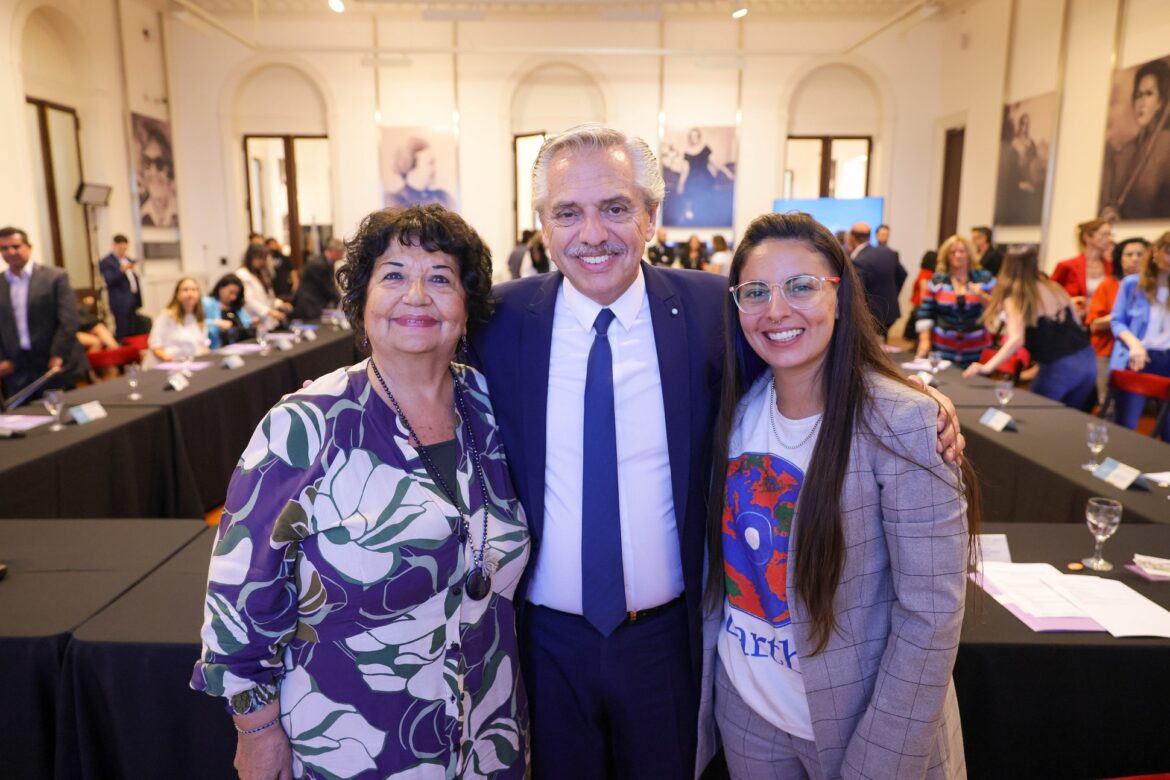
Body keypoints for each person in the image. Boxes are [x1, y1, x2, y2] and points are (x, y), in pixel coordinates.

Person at [471, 124, 964, 778]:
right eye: (568, 213)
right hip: (546, 642)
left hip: (671, 642)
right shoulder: (498, 320)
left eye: (615, 207)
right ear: (543, 224)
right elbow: (418, 364)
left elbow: (801, 348)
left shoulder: (712, 309)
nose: (592, 233)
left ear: (651, 216)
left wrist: (914, 395)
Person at [192, 204, 530, 778]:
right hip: (354, 744)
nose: (416, 296)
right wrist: (256, 730)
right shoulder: (305, 425)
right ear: (362, 301)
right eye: (393, 275)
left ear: (467, 305)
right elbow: (239, 597)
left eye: (440, 278)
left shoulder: (492, 406)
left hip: (488, 735)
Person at [708, 211, 977, 779]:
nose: (776, 310)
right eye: (755, 292)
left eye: (801, 286)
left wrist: (880, 763)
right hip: (749, 712)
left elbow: (930, 617)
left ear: (840, 295)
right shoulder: (732, 408)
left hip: (861, 722)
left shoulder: (904, 422)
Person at [964, 248, 1096, 408]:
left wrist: (987, 367)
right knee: (1067, 417)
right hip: (1088, 360)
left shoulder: (1018, 297)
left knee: (1037, 415)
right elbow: (1077, 322)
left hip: (1059, 366)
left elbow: (1016, 339)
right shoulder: (1054, 287)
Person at [0, 226, 85, 398]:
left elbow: (68, 320)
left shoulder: (55, 277)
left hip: (51, 362)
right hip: (16, 367)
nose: (10, 252)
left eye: (15, 246)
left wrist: (58, 354)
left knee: (58, 411)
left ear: (29, 247)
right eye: (4, 248)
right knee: (23, 414)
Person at [1107, 230, 1170, 438]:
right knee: (1126, 426)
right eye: (1168, 252)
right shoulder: (1133, 284)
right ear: (1156, 252)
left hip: (1167, 359)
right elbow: (1117, 321)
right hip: (1138, 358)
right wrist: (1134, 344)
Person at [1100, 59, 1170, 220]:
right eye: (1138, 95)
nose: (1141, 103)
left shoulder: (1166, 144)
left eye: (1149, 94)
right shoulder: (1124, 151)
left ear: (1161, 102)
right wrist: (1107, 210)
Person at [1085, 237, 1150, 402]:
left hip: (1143, 351)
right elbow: (1094, 323)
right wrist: (1121, 316)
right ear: (1120, 259)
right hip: (1107, 350)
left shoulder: (1154, 287)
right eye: (1129, 254)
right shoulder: (1108, 285)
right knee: (1109, 401)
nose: (1135, 258)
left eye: (1140, 254)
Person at [916, 234, 995, 367]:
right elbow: (925, 312)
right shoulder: (937, 280)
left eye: (961, 251)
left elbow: (996, 308)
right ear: (946, 256)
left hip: (977, 351)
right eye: (952, 252)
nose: (957, 255)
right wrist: (925, 341)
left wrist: (981, 295)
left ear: (969, 253)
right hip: (942, 349)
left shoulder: (983, 278)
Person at [847, 221, 907, 338]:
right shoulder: (888, 253)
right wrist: (894, 294)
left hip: (871, 316)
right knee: (882, 342)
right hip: (890, 311)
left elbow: (858, 292)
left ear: (852, 238)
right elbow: (903, 274)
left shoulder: (859, 260)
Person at [1052, 219, 1114, 319]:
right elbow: (1050, 294)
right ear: (1087, 237)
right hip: (1073, 320)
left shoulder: (1112, 267)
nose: (1109, 239)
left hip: (1101, 321)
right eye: (1104, 235)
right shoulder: (1066, 266)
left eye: (1110, 235)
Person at [147, 277, 209, 363]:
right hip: (168, 364)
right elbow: (155, 346)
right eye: (185, 290)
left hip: (191, 363)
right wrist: (173, 362)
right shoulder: (166, 316)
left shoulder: (199, 316)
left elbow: (203, 346)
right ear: (177, 294)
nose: (190, 293)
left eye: (194, 289)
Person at [385, 136, 453, 209]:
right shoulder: (395, 200)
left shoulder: (443, 197)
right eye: (430, 163)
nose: (435, 169)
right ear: (410, 166)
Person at [98, 234, 143, 340]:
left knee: (133, 329)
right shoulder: (107, 261)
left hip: (132, 298)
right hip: (119, 301)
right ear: (114, 246)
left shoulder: (127, 259)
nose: (123, 250)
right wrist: (122, 270)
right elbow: (109, 280)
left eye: (125, 248)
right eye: (121, 248)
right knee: (122, 329)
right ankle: (121, 347)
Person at [237, 243, 290, 328]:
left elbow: (267, 297)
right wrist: (268, 312)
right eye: (259, 258)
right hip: (255, 320)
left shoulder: (261, 273)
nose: (262, 262)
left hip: (269, 322)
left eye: (264, 258)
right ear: (250, 257)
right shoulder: (243, 274)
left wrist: (280, 304)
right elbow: (248, 300)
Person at [137, 121, 178, 228]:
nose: (153, 172)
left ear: (169, 168)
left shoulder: (182, 212)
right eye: (147, 163)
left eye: (159, 163)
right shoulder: (140, 215)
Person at [291, 238, 342, 321]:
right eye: (341, 252)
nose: (343, 255)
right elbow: (328, 287)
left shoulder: (326, 262)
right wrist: (340, 302)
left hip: (312, 303)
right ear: (335, 251)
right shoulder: (319, 264)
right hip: (308, 304)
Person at [203, 274, 254, 349]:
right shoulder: (207, 303)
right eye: (231, 292)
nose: (234, 297)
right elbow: (198, 323)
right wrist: (216, 323)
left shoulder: (238, 307)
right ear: (220, 289)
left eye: (236, 294)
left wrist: (252, 323)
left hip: (240, 346)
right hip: (217, 347)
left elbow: (247, 324)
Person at [902, 249, 938, 342]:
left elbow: (923, 292)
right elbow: (924, 292)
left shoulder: (924, 273)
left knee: (918, 333)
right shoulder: (930, 274)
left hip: (919, 306)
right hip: (921, 306)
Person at [265, 237, 297, 301]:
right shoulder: (266, 259)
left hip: (285, 288)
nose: (273, 245)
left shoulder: (284, 257)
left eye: (274, 243)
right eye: (271, 244)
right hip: (273, 289)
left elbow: (292, 270)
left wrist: (295, 283)